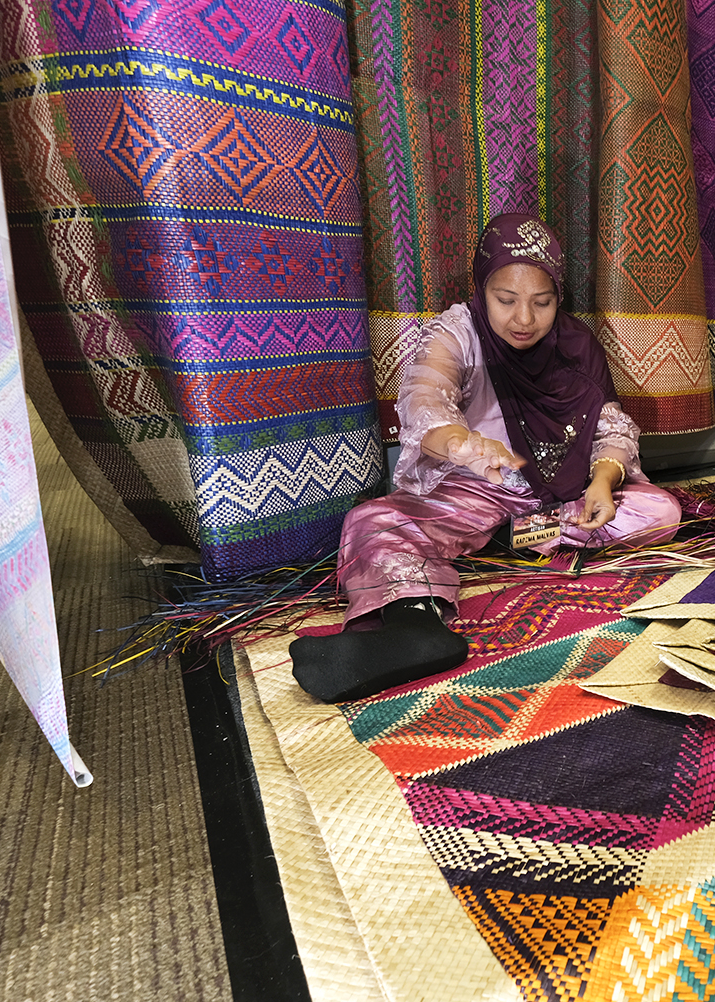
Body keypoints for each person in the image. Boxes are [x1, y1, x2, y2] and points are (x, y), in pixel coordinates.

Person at [290, 213, 682, 703]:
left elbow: (610, 427)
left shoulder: (576, 345)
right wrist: (464, 444)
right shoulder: (458, 333)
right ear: (481, 289)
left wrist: (603, 480)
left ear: (558, 296)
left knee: (660, 510)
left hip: (562, 496)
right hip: (478, 489)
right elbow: (424, 398)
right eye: (506, 300)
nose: (524, 320)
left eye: (542, 302)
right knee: (373, 521)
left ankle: (504, 540)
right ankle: (414, 624)